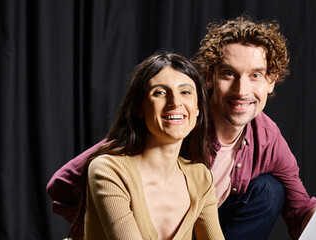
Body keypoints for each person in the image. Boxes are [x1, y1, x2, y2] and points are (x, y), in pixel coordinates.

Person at [49, 16, 316, 240]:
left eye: (256, 75)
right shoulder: (175, 120)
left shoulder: (267, 136)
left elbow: (300, 214)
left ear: (272, 81)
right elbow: (63, 185)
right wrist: (108, 218)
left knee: (270, 191)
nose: (242, 91)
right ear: (208, 76)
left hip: (206, 227)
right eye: (229, 74)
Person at [67, 52, 224, 240]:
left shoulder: (200, 177)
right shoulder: (109, 170)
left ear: (198, 107)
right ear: (140, 107)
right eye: (160, 92)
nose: (175, 103)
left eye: (185, 92)